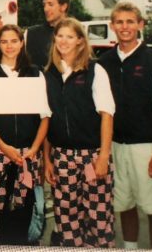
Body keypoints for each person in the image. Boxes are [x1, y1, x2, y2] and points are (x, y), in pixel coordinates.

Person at [98, 2, 152, 249]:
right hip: (115, 146)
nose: (125, 27)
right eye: (119, 22)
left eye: (130, 21)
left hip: (146, 147)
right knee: (125, 205)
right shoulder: (103, 62)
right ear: (112, 26)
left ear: (140, 24)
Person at [0, 24, 50, 245]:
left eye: (14, 41)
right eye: (4, 41)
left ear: (22, 43)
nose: (9, 46)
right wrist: (4, 147)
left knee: (26, 207)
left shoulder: (35, 73)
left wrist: (34, 149)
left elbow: (45, 115)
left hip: (28, 154)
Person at [44, 18, 115, 247]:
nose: (63, 41)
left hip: (92, 156)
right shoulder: (48, 74)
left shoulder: (95, 70)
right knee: (66, 218)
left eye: (70, 36)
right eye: (60, 35)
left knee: (98, 218)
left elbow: (107, 115)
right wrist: (47, 160)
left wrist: (103, 156)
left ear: (80, 42)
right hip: (62, 156)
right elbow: (46, 119)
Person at [25, 0, 69, 70]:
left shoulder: (76, 34)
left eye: (50, 4)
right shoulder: (31, 34)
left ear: (63, 7)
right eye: (44, 5)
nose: (46, 9)